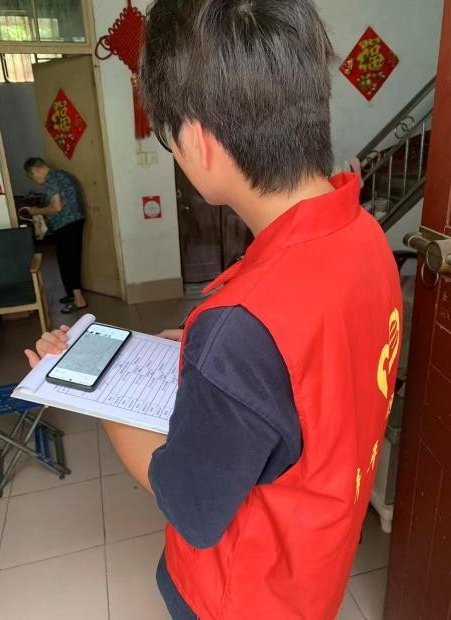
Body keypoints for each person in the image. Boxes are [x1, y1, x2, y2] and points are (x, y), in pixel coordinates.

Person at [25, 1, 403, 618]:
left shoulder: (242, 328)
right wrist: (199, 355)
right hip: (313, 570)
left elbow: (190, 503)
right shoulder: (362, 234)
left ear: (198, 140)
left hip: (239, 597)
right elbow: (312, 374)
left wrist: (97, 392)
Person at [23, 157, 87, 314]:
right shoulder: (63, 174)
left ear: (35, 171)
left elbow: (56, 207)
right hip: (76, 220)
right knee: (69, 259)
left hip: (65, 224)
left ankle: (79, 300)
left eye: (32, 177)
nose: (36, 181)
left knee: (69, 261)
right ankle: (72, 295)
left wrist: (36, 211)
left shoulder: (50, 179)